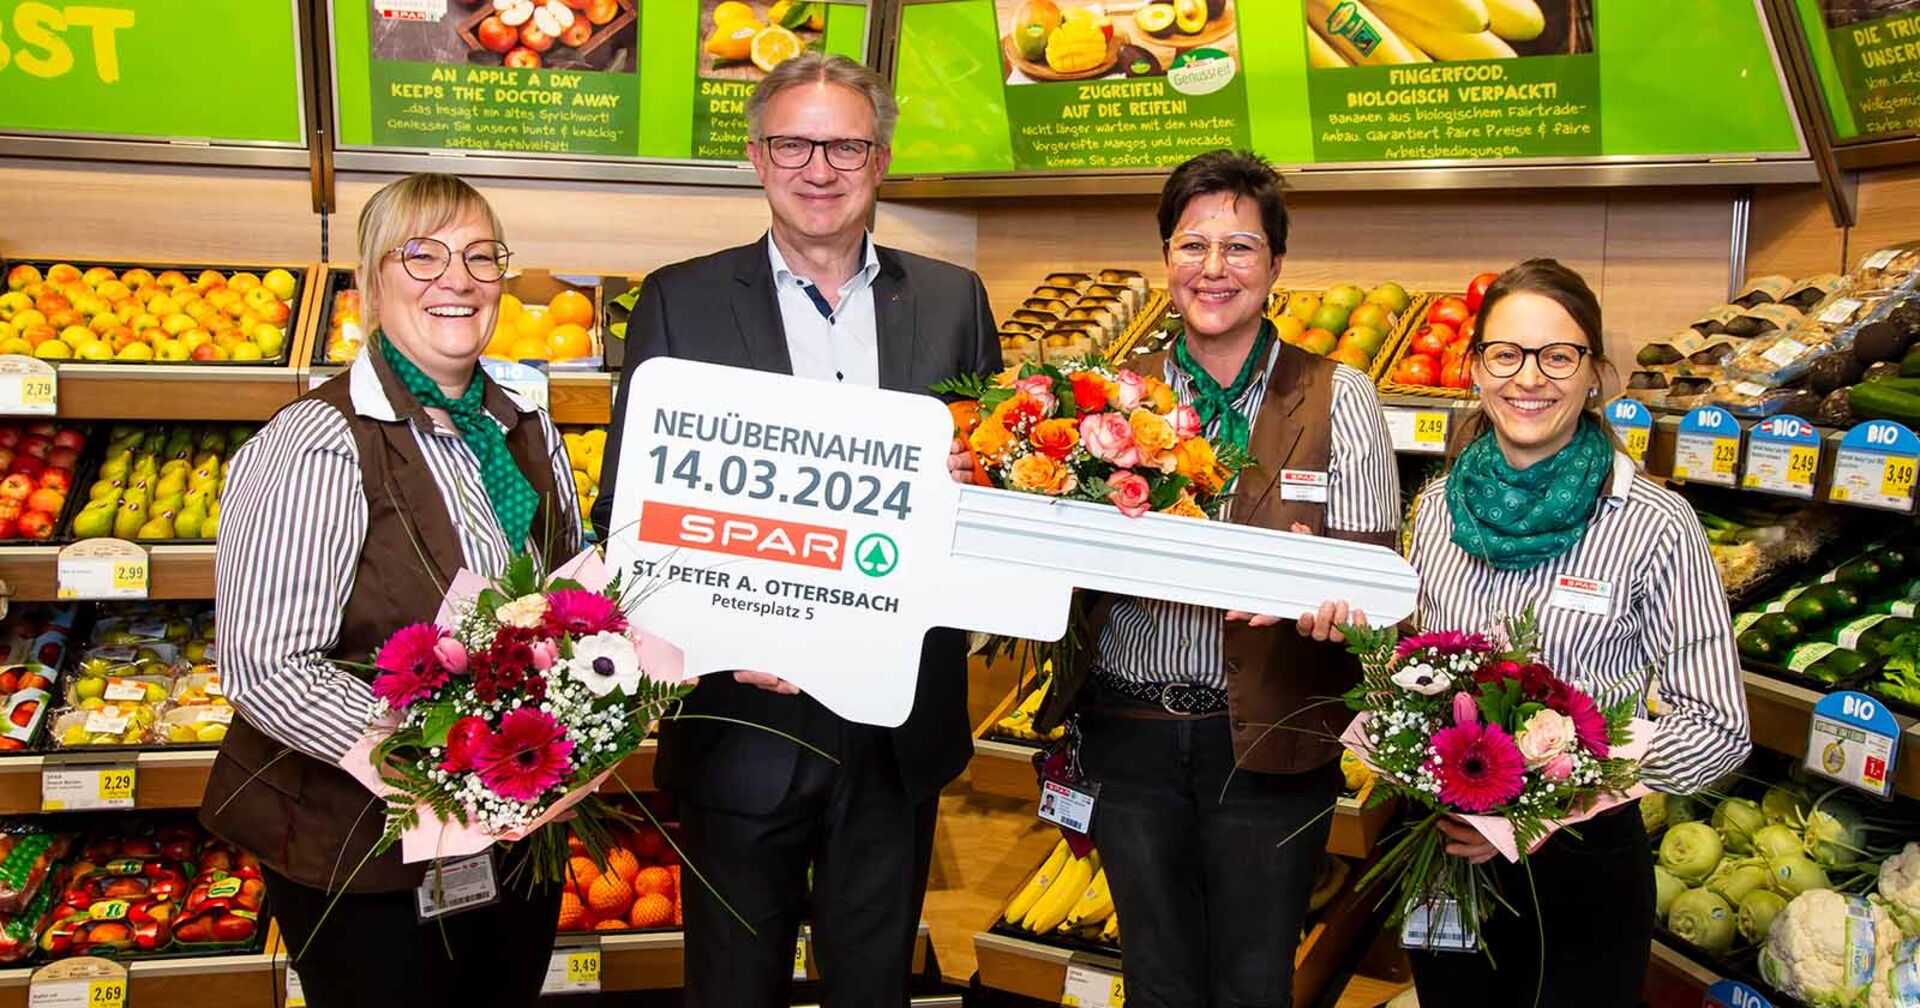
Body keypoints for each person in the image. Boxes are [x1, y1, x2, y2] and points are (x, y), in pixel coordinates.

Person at [591, 53, 998, 1007]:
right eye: (794, 143)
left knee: (873, 987)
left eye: (846, 144)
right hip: (743, 721)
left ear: (881, 157)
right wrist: (724, 635)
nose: (820, 167)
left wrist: (976, 487)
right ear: (757, 156)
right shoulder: (679, 299)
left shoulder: (951, 301)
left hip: (894, 729)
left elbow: (996, 496)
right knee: (734, 988)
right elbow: (630, 514)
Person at [1031, 149, 1402, 1008]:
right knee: (1156, 979)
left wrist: (1338, 604)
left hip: (1272, 739)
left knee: (1253, 981)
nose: (1214, 269)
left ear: (1276, 265)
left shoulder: (1337, 394)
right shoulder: (1112, 398)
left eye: (1240, 248)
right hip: (1129, 736)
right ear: (1165, 260)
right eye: (1192, 246)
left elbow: (1376, 583)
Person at [201, 174, 581, 1008]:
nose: (458, 277)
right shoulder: (320, 443)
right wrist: (439, 762)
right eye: (423, 254)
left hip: (512, 843)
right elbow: (266, 666)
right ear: (372, 281)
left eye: (482, 256)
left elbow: (568, 602)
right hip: (360, 861)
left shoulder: (524, 424)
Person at [1404, 259, 1750, 1008]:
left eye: (1558, 356)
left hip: (1584, 869)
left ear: (1596, 373)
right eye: (1507, 354)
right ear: (1475, 367)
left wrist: (1543, 806)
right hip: (1452, 857)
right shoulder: (1435, 511)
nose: (1530, 378)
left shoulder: (1654, 523)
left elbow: (1719, 728)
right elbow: (1420, 675)